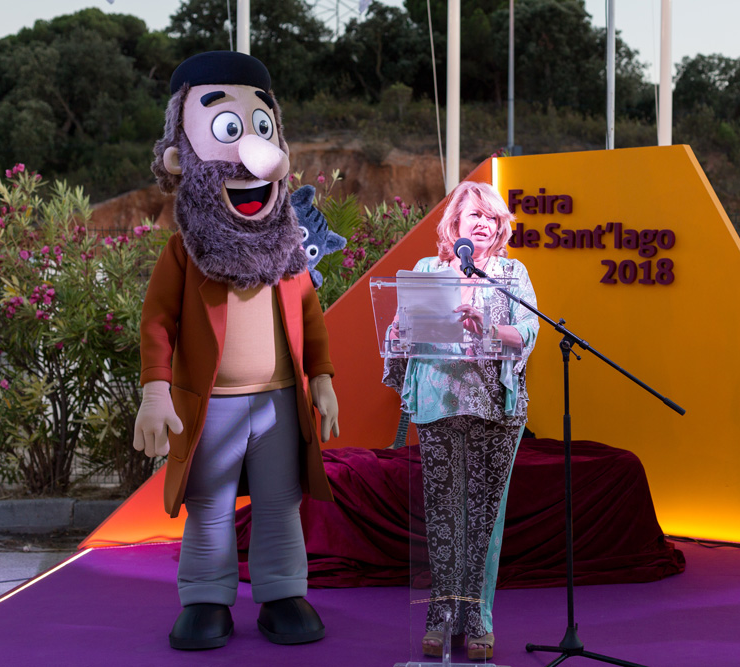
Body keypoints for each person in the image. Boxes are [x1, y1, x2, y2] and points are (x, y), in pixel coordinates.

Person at [133, 51, 339, 651]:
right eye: (228, 129)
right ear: (180, 158)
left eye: (261, 129)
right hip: (213, 405)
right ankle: (204, 600)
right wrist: (154, 389)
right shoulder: (183, 253)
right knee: (210, 505)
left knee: (280, 502)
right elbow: (157, 324)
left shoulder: (285, 251)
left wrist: (321, 378)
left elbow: (310, 317)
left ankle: (282, 593)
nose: (253, 154)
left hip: (278, 403)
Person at [384, 181, 539, 660]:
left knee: (485, 522)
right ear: (454, 224)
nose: (485, 224)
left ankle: (478, 621)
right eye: (476, 215)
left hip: (496, 407)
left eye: (493, 219)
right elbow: (399, 336)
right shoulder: (427, 270)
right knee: (446, 516)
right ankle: (441, 615)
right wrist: (398, 330)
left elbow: (529, 331)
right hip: (438, 404)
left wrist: (489, 328)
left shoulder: (511, 273)